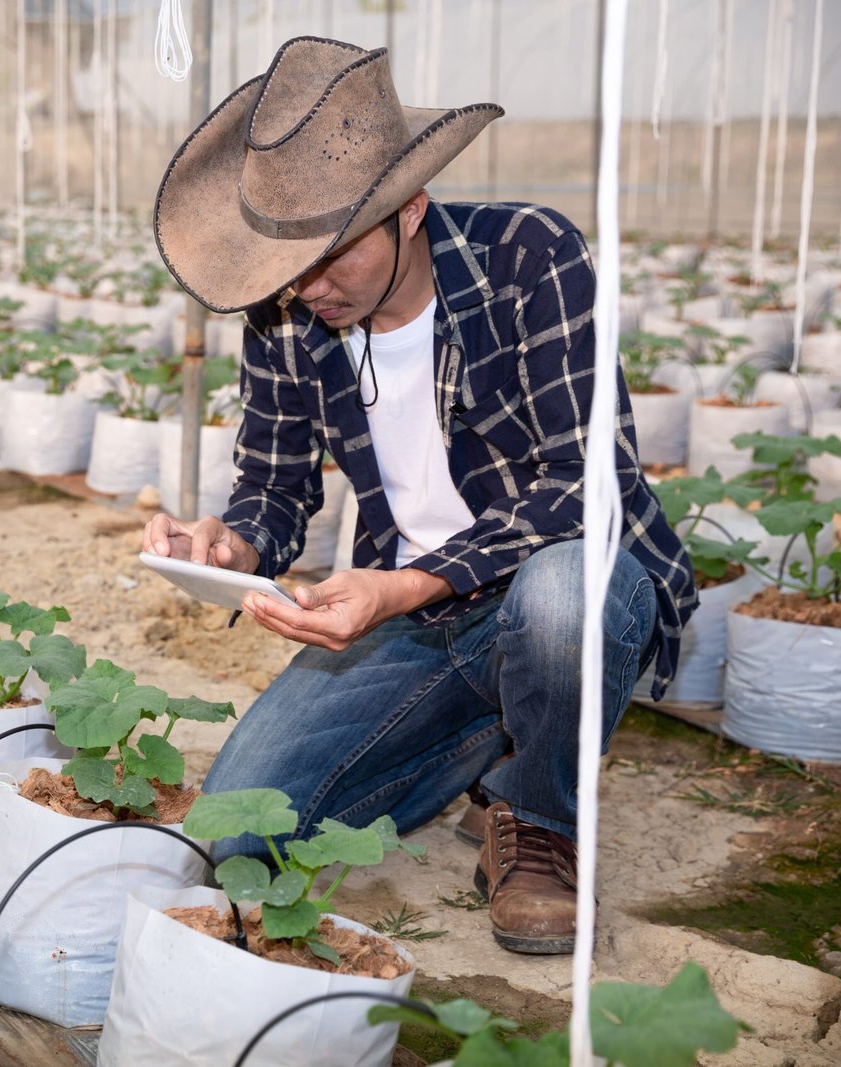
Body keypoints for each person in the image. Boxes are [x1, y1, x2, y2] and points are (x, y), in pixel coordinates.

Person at [140, 38, 696, 955]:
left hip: (555, 588)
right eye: (289, 264)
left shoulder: (528, 259)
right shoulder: (283, 317)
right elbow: (272, 492)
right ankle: (496, 745)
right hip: (417, 617)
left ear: (410, 208)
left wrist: (406, 585)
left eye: (332, 257)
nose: (309, 287)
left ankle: (541, 819)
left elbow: (587, 486)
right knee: (242, 832)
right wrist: (230, 546)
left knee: (563, 594)